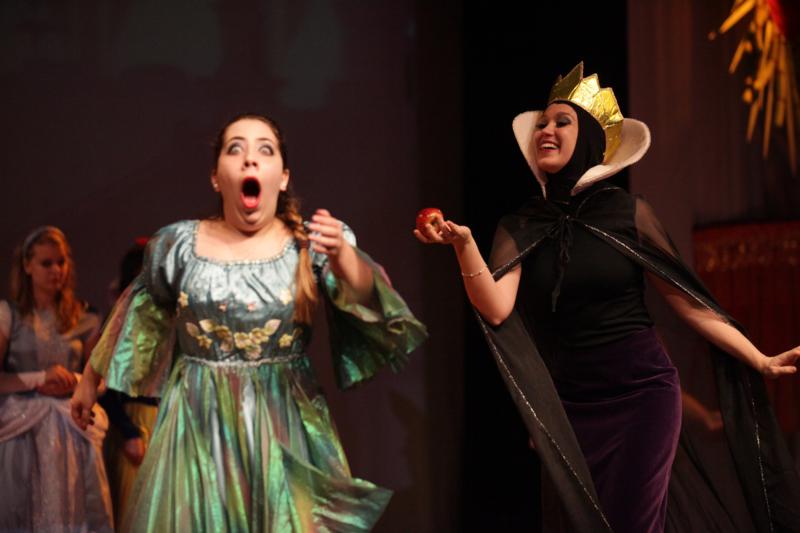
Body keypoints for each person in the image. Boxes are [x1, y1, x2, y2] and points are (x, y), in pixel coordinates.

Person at [415, 63, 800, 532]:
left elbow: (689, 302)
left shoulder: (627, 213)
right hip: (571, 406)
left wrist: (759, 359)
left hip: (642, 396)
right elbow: (495, 308)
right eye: (542, 124)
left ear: (590, 141)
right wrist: (464, 245)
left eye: (562, 122)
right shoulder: (521, 226)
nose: (546, 131)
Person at [71, 113, 427, 532]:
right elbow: (137, 315)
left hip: (283, 423)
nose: (250, 159)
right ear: (215, 178)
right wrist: (89, 379)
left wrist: (344, 257)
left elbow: (368, 299)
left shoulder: (307, 245)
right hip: (198, 423)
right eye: (235, 148)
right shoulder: (178, 245)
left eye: (265, 150)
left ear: (283, 177)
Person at [0, 226, 112, 531]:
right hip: (23, 425)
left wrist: (75, 380)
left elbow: (101, 379)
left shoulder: (85, 316)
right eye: (46, 263)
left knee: (76, 509)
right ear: (27, 266)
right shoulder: (9, 314)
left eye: (61, 262)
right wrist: (40, 378)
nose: (56, 270)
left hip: (70, 424)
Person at [98, 238, 159, 525]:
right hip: (133, 422)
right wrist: (128, 431)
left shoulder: (168, 321)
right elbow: (106, 385)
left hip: (162, 420)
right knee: (134, 513)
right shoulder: (122, 323)